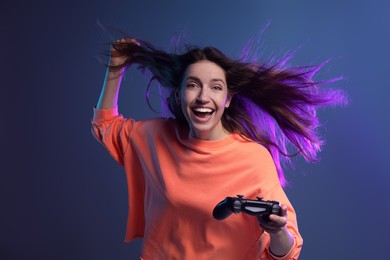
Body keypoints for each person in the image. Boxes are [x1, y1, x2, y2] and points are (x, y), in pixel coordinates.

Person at [91, 37, 346, 259]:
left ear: (227, 100)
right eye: (193, 85)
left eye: (216, 87)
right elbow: (106, 125)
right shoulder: (155, 137)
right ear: (179, 95)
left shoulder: (253, 159)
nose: (203, 97)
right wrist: (116, 66)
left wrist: (277, 231)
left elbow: (286, 253)